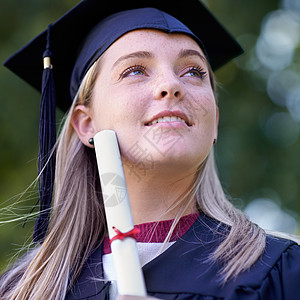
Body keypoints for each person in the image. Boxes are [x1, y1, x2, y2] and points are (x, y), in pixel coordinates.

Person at [1, 0, 300, 299]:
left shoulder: (280, 273)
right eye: (135, 70)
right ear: (86, 124)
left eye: (193, 72)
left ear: (215, 121)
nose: (171, 84)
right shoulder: (22, 290)